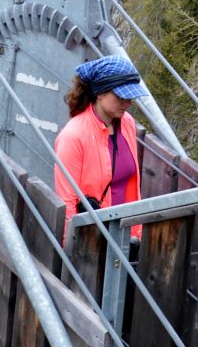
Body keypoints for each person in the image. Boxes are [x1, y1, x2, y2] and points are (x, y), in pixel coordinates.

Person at [53, 55, 148, 244]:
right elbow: (67, 202)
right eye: (121, 95)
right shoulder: (73, 136)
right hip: (94, 242)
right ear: (100, 92)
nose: (127, 102)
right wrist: (70, 253)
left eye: (130, 96)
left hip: (127, 234)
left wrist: (137, 233)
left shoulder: (127, 123)